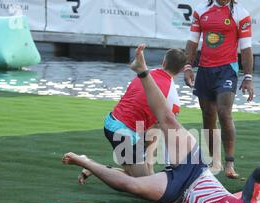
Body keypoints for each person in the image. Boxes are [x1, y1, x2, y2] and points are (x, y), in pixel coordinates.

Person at [63, 44, 260, 203]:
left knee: (133, 185)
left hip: (177, 191)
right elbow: (257, 178)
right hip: (197, 168)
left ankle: (84, 162)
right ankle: (142, 71)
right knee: (168, 120)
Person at [78, 48, 187, 184]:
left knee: (138, 177)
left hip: (115, 123)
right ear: (182, 70)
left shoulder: (146, 73)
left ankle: (92, 167)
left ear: (163, 62)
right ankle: (88, 163)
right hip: (124, 132)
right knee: (145, 184)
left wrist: (148, 163)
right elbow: (169, 130)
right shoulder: (173, 96)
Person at [184, 0, 255, 179]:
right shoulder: (201, 10)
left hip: (227, 70)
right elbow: (192, 42)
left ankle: (229, 162)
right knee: (208, 115)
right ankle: (213, 161)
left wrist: (248, 77)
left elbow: (246, 48)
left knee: (224, 113)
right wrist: (188, 67)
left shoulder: (240, 13)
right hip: (205, 70)